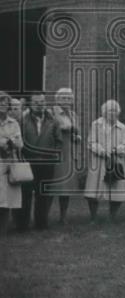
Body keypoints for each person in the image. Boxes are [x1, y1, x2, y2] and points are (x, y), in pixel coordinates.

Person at [19, 93, 61, 231]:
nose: (40, 104)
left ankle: (41, 224)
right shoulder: (22, 120)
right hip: (27, 163)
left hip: (46, 164)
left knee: (42, 194)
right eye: (36, 102)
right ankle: (23, 225)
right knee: (25, 195)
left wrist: (53, 154)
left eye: (42, 101)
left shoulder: (53, 121)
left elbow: (58, 141)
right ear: (31, 104)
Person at [84, 100, 125, 222]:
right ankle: (93, 217)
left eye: (115, 110)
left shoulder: (122, 127)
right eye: (110, 110)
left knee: (116, 191)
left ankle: (111, 217)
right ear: (104, 112)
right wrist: (102, 151)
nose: (113, 113)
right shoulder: (96, 124)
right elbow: (91, 142)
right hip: (98, 161)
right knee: (93, 191)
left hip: (116, 161)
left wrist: (115, 150)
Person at [50, 88, 83, 225]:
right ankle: (44, 215)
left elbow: (77, 131)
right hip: (56, 153)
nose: (67, 101)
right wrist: (65, 128)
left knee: (66, 188)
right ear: (57, 100)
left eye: (69, 98)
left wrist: (77, 137)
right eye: (64, 98)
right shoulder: (51, 113)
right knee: (51, 185)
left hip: (69, 153)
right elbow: (51, 130)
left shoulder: (73, 115)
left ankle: (63, 217)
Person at [0, 91, 23, 235]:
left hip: (9, 162)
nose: (3, 105)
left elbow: (20, 143)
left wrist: (11, 142)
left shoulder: (13, 122)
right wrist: (4, 141)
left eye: (5, 103)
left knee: (6, 197)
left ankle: (3, 229)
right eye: (0, 102)